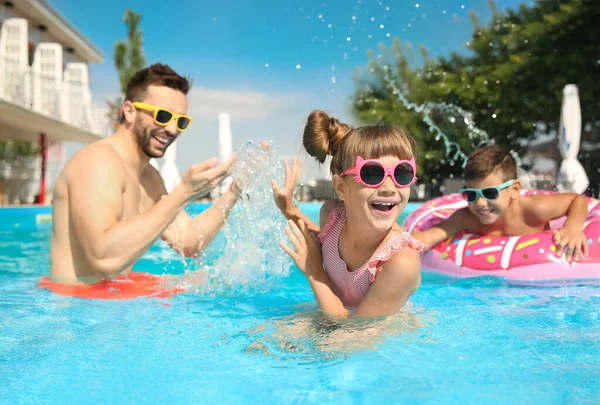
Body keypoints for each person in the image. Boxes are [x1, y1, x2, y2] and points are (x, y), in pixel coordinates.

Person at [50, 63, 240, 283]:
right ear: (129, 111)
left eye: (181, 121)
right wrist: (183, 193)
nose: (172, 129)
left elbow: (188, 241)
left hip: (109, 304)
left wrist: (235, 191)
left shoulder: (149, 178)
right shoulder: (99, 161)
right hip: (75, 308)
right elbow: (103, 260)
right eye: (162, 116)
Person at [272, 110, 425, 318]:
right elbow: (319, 242)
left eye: (402, 173)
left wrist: (315, 272)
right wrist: (288, 208)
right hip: (337, 319)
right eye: (372, 173)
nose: (389, 187)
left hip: (381, 335)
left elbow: (353, 332)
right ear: (342, 188)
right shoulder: (333, 216)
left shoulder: (401, 261)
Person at [411, 145, 590, 262]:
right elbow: (428, 237)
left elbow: (576, 200)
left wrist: (573, 227)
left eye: (490, 193)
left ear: (514, 189)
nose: (480, 203)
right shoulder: (466, 217)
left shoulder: (533, 209)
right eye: (471, 195)